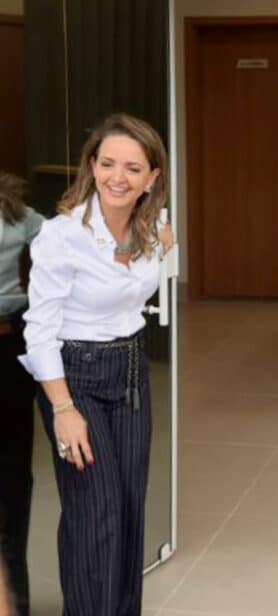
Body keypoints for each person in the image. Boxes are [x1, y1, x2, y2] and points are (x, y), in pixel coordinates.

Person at [19, 113, 174, 616]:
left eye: (133, 168)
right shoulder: (63, 236)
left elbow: (157, 270)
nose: (117, 178)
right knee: (96, 514)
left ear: (152, 177)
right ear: (92, 166)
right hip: (75, 378)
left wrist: (166, 247)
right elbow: (39, 330)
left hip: (131, 373)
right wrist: (63, 409)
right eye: (107, 164)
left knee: (128, 508)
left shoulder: (155, 224)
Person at [0, 173, 44, 616]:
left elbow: (66, 246)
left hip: (7, 347)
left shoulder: (15, 212)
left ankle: (16, 602)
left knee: (13, 477)